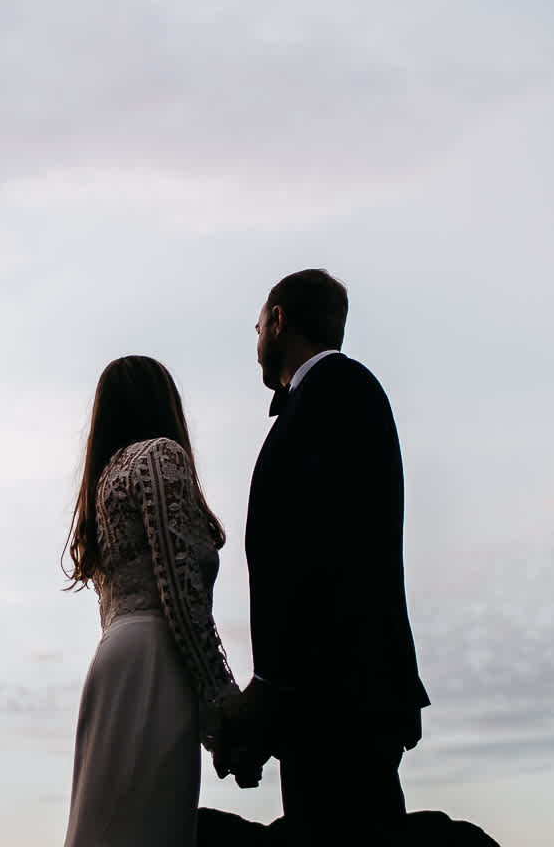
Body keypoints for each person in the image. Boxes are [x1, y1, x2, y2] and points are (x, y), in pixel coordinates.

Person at [221, 268, 430, 845]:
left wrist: (270, 692)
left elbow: (317, 554)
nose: (256, 337)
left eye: (258, 324)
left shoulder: (340, 391)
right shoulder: (330, 399)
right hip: (323, 698)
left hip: (341, 700)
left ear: (280, 321)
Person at [61, 355, 251, 847]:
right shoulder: (160, 458)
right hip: (156, 660)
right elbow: (181, 594)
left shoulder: (103, 482)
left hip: (113, 661)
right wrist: (225, 712)